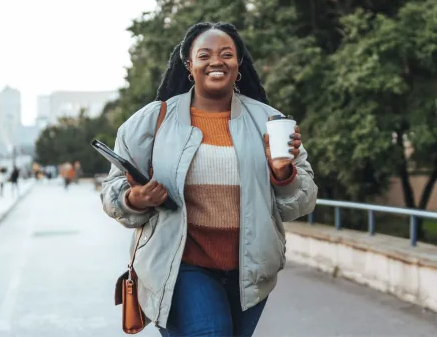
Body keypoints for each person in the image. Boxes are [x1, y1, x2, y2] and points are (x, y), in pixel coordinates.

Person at [100, 22, 318, 336]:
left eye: (226, 54)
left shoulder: (270, 122)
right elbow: (113, 188)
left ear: (238, 64)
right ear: (189, 65)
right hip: (180, 268)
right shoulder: (153, 119)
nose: (216, 61)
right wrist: (134, 198)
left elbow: (302, 202)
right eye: (205, 55)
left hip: (250, 272)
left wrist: (282, 172)